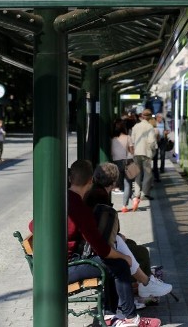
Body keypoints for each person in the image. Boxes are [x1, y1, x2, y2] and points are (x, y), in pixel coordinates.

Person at [32, 159, 152, 326]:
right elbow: (103, 250)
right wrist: (125, 258)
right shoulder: (79, 208)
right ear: (90, 181)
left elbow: (32, 225)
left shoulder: (59, 197)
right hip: (63, 270)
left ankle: (111, 314)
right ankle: (130, 318)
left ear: (70, 178)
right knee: (119, 264)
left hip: (46, 266)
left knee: (113, 263)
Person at [86, 162, 172, 304]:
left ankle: (146, 284)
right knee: (141, 253)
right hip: (97, 249)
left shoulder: (95, 192)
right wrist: (117, 237)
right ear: (113, 183)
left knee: (131, 245)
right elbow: (108, 229)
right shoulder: (100, 197)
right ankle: (142, 287)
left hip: (97, 244)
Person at [130, 109, 158, 202]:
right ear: (149, 117)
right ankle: (144, 194)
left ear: (142, 116)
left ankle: (136, 193)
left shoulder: (136, 126)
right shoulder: (150, 127)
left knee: (137, 174)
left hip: (136, 153)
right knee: (148, 174)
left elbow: (132, 140)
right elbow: (152, 141)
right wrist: (153, 151)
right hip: (146, 153)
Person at [111, 121, 138, 212]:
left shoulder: (113, 139)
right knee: (127, 184)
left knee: (122, 185)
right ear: (124, 128)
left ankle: (133, 200)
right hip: (127, 162)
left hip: (116, 163)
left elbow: (111, 152)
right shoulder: (127, 137)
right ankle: (126, 205)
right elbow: (132, 151)